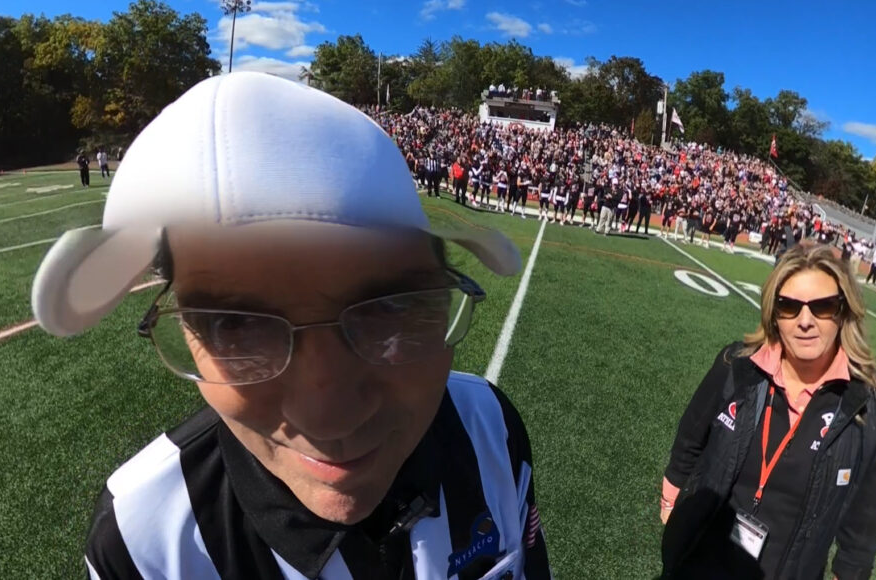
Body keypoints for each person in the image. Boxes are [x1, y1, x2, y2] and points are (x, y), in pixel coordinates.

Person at [31, 72, 550, 579]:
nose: (328, 417)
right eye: (234, 326)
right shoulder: (143, 545)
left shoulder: (492, 429)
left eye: (391, 307)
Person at [661, 242, 876, 580]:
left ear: (844, 311)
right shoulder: (737, 366)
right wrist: (672, 502)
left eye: (822, 306)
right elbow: (691, 435)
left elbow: (867, 516)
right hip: (700, 564)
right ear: (773, 313)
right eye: (789, 306)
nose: (805, 321)